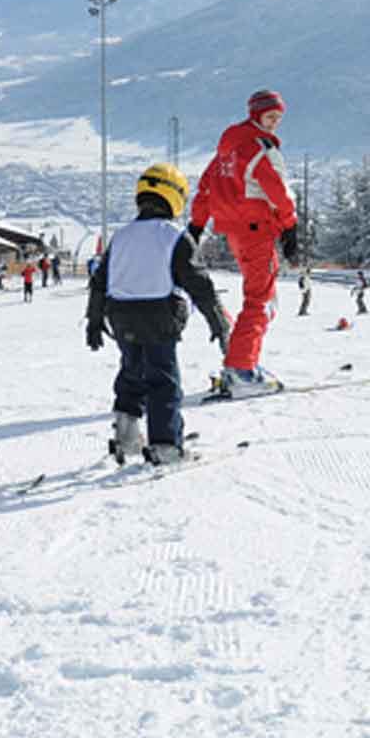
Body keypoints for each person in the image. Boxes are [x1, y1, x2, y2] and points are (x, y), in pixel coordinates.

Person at [87, 164, 231, 465]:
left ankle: (126, 437)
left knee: (131, 371)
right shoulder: (174, 236)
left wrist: (94, 320)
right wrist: (217, 321)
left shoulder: (122, 236)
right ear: (175, 196)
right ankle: (165, 445)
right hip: (159, 315)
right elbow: (199, 284)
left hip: (121, 315)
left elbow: (99, 282)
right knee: (162, 380)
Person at [189, 88, 298, 396]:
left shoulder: (227, 149)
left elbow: (207, 186)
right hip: (257, 231)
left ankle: (242, 362)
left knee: (261, 299)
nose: (274, 122)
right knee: (261, 301)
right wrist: (291, 226)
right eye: (269, 116)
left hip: (237, 231)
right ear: (255, 114)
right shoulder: (257, 149)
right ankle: (241, 369)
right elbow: (278, 191)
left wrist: (197, 224)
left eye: (278, 117)